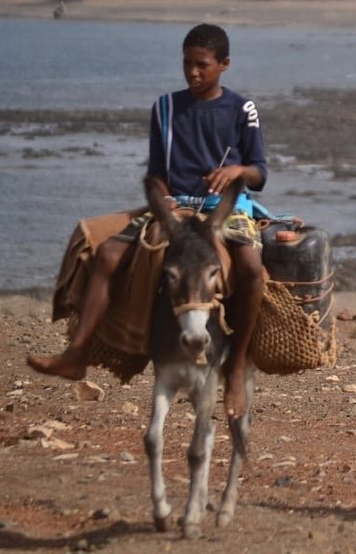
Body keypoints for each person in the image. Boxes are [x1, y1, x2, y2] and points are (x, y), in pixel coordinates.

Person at [27, 23, 267, 420]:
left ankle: (236, 366)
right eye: (187, 63)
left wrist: (236, 171)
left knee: (251, 267)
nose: (193, 72)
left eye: (202, 65)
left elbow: (260, 173)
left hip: (224, 209)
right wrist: (165, 202)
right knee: (106, 254)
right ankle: (76, 354)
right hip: (174, 208)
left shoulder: (243, 109)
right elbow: (155, 172)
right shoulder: (165, 107)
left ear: (224, 65)